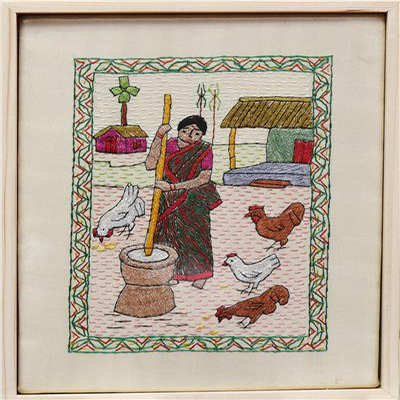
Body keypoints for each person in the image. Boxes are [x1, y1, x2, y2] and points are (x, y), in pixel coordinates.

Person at [145, 115, 222, 289]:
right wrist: (158, 136)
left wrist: (173, 187)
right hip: (167, 199)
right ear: (179, 130)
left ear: (201, 136)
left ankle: (200, 274)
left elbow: (204, 178)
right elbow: (150, 164)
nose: (189, 135)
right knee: (167, 234)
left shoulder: (204, 149)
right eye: (185, 130)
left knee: (195, 236)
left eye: (196, 133)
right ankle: (172, 273)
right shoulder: (168, 144)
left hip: (193, 198)